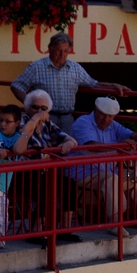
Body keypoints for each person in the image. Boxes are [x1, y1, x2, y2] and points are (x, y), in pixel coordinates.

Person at [69, 96, 137, 237]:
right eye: (103, 114)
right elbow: (91, 146)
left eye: (110, 116)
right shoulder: (83, 122)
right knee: (112, 178)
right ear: (95, 110)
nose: (106, 119)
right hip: (83, 171)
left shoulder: (113, 125)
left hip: (107, 170)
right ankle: (116, 222)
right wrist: (120, 146)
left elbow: (129, 133)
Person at [10, 33, 131, 132]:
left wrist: (114, 86)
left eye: (65, 51)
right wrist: (31, 105)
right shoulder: (36, 67)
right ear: (50, 49)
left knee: (66, 150)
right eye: (58, 50)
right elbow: (16, 85)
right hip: (45, 116)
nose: (62, 54)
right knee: (45, 150)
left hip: (67, 117)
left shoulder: (75, 68)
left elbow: (93, 83)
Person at [12, 90, 81, 246]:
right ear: (27, 108)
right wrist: (35, 119)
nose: (39, 111)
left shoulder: (48, 124)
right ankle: (37, 231)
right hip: (22, 173)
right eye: (35, 107)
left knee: (69, 184)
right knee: (44, 187)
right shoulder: (22, 121)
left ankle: (65, 229)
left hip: (44, 172)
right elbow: (23, 134)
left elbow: (70, 139)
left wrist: (69, 143)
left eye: (43, 108)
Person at [0, 104, 22, 250]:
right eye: (0, 120)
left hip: (2, 187)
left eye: (7, 121)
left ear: (17, 123)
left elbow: (20, 149)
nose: (2, 124)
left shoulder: (19, 138)